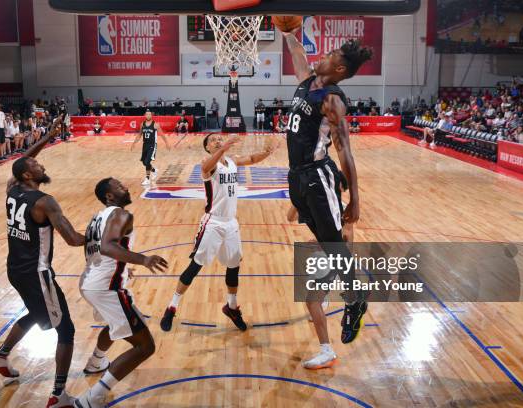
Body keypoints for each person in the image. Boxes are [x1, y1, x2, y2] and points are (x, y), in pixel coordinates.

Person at [0, 116, 85, 408]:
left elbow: (24, 159)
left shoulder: (12, 188)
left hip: (15, 268)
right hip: (38, 273)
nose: (42, 165)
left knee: (36, 313)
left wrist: (48, 136)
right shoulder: (45, 201)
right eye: (37, 167)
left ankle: (0, 356)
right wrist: (101, 234)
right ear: (28, 176)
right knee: (66, 329)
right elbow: (74, 240)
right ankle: (58, 395)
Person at [283, 30, 371, 369]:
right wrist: (286, 27)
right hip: (297, 176)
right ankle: (348, 293)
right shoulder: (307, 80)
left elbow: (345, 149)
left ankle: (355, 299)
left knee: (334, 244)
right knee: (327, 243)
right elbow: (295, 49)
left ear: (339, 70)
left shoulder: (333, 98)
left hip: (318, 176)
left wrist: (356, 199)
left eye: (332, 54)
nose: (325, 53)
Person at [160, 133, 277, 332]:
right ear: (207, 147)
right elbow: (206, 168)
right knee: (195, 266)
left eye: (219, 139)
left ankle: (231, 306)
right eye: (212, 140)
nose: (217, 141)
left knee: (234, 265)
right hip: (212, 223)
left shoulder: (231, 162)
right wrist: (224, 148)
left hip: (231, 223)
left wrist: (268, 151)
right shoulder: (208, 162)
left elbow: (251, 159)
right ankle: (172, 307)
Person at [76, 178, 168, 408]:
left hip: (90, 282)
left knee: (114, 323)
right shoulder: (121, 215)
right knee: (145, 346)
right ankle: (92, 398)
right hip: (106, 287)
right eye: (118, 186)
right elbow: (107, 247)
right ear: (109, 196)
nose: (125, 187)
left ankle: (96, 362)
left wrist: (124, 269)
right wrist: (143, 259)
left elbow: (95, 250)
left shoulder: (97, 217)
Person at [130, 110, 168, 186]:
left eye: (149, 114)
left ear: (151, 115)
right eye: (147, 114)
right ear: (145, 115)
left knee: (147, 161)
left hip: (152, 145)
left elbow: (161, 134)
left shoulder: (155, 124)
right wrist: (134, 143)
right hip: (145, 145)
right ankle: (154, 170)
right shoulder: (142, 124)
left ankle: (147, 179)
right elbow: (139, 134)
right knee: (144, 162)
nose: (148, 115)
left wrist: (166, 143)